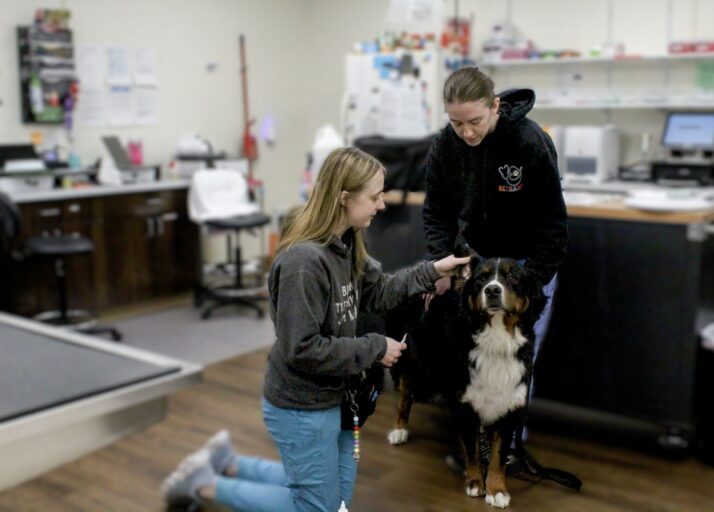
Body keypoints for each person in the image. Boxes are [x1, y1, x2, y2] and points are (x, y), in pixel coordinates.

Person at [161, 146, 470, 512]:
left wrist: (435, 270)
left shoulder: (347, 241)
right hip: (300, 405)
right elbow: (302, 349)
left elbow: (381, 291)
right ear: (344, 198)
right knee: (318, 507)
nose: (382, 205)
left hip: (336, 396)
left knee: (335, 496)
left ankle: (230, 463)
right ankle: (206, 486)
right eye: (374, 197)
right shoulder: (304, 263)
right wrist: (374, 347)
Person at [423, 65, 567, 364]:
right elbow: (437, 212)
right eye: (456, 123)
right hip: (480, 265)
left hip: (527, 265)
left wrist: (532, 284)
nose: (467, 132)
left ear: (495, 106)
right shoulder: (445, 145)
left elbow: (552, 223)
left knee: (516, 362)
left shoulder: (528, 141)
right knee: (478, 360)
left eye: (475, 121)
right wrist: (441, 264)